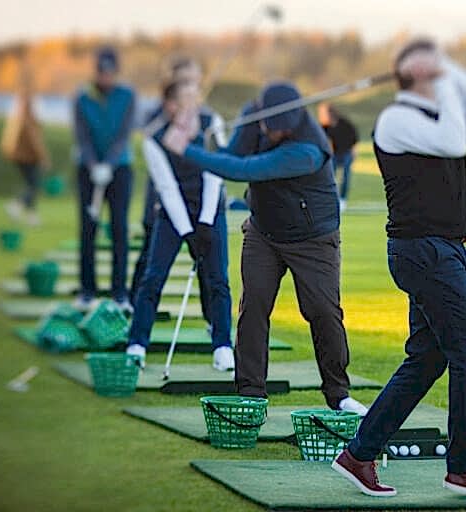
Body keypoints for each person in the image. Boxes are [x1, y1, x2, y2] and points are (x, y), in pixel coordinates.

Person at [331, 39, 466, 499]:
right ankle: (465, 468)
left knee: (429, 357)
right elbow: (453, 141)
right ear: (406, 72)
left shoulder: (443, 112)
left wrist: (445, 67)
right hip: (423, 252)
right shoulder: (398, 119)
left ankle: (358, 454)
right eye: (425, 60)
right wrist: (439, 78)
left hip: (444, 251)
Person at [161, 81, 368, 415]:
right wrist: (197, 139)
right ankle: (251, 393)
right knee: (253, 306)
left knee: (323, 312)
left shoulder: (307, 149)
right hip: (264, 230)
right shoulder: (256, 115)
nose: (271, 135)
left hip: (313, 237)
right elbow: (231, 155)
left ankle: (338, 394)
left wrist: (186, 149)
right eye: (268, 128)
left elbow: (244, 170)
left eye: (279, 132)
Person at [125, 79, 234, 371]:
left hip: (211, 208)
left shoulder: (213, 123)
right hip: (172, 213)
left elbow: (216, 172)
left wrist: (206, 224)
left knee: (218, 280)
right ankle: (137, 344)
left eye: (193, 98)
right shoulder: (154, 138)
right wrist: (188, 232)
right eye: (183, 100)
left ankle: (223, 346)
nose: (190, 105)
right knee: (153, 277)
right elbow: (167, 188)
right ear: (169, 105)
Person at [72, 46, 136, 312]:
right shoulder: (82, 97)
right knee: (88, 228)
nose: (105, 77)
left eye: (110, 72)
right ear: (95, 72)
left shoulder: (127, 96)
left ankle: (119, 292)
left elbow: (124, 135)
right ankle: (87, 290)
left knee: (119, 228)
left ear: (116, 72)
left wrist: (108, 165)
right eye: (101, 72)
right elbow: (82, 136)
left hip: (120, 169)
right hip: (87, 170)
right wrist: (93, 165)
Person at [0, 71, 50, 226]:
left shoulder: (18, 108)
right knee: (33, 184)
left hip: (19, 153)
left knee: (32, 184)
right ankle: (16, 205)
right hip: (26, 155)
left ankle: (31, 216)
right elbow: (33, 137)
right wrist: (43, 156)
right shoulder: (27, 109)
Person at [318, 103, 358, 211]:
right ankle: (331, 200)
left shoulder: (344, 123)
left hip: (346, 153)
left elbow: (354, 137)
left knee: (345, 176)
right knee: (330, 177)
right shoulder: (324, 128)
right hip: (334, 155)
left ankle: (343, 200)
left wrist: (354, 151)